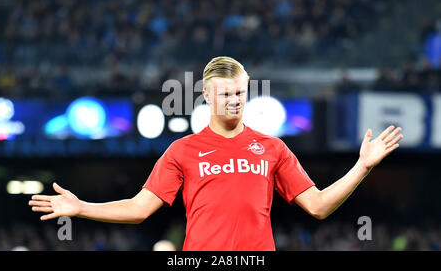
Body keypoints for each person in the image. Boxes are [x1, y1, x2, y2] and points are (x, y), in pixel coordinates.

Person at [29, 56, 403, 251]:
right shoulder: (182, 151)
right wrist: (82, 208)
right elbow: (139, 209)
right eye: (225, 94)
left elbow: (318, 206)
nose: (235, 101)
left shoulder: (273, 148)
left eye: (240, 93)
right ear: (207, 96)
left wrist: (361, 167)